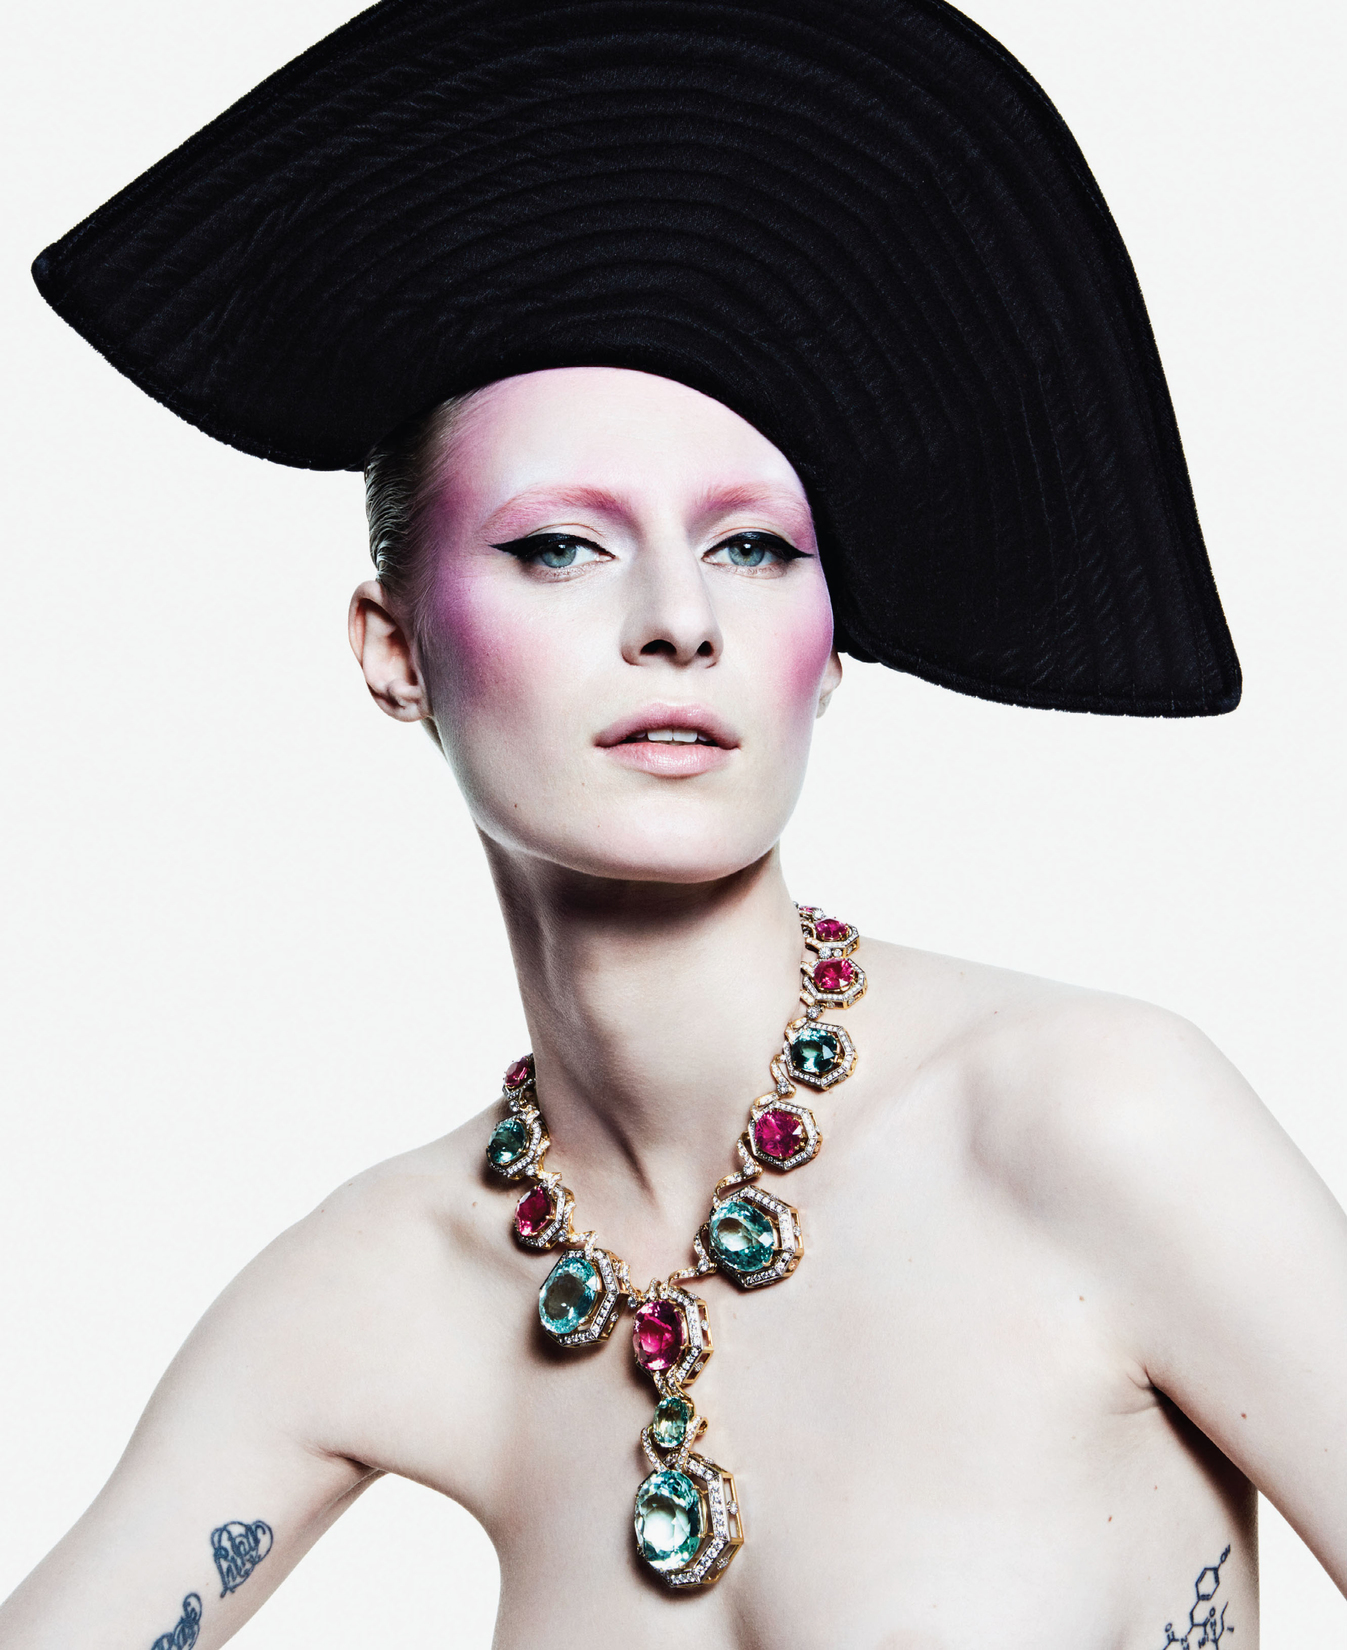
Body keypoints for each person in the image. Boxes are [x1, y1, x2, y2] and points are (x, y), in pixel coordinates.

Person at [4, 0, 1345, 1644]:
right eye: (560, 545)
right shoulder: (381, 1288)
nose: (678, 621)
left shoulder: (1091, 1123)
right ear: (394, 648)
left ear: (831, 644)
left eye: (753, 548)